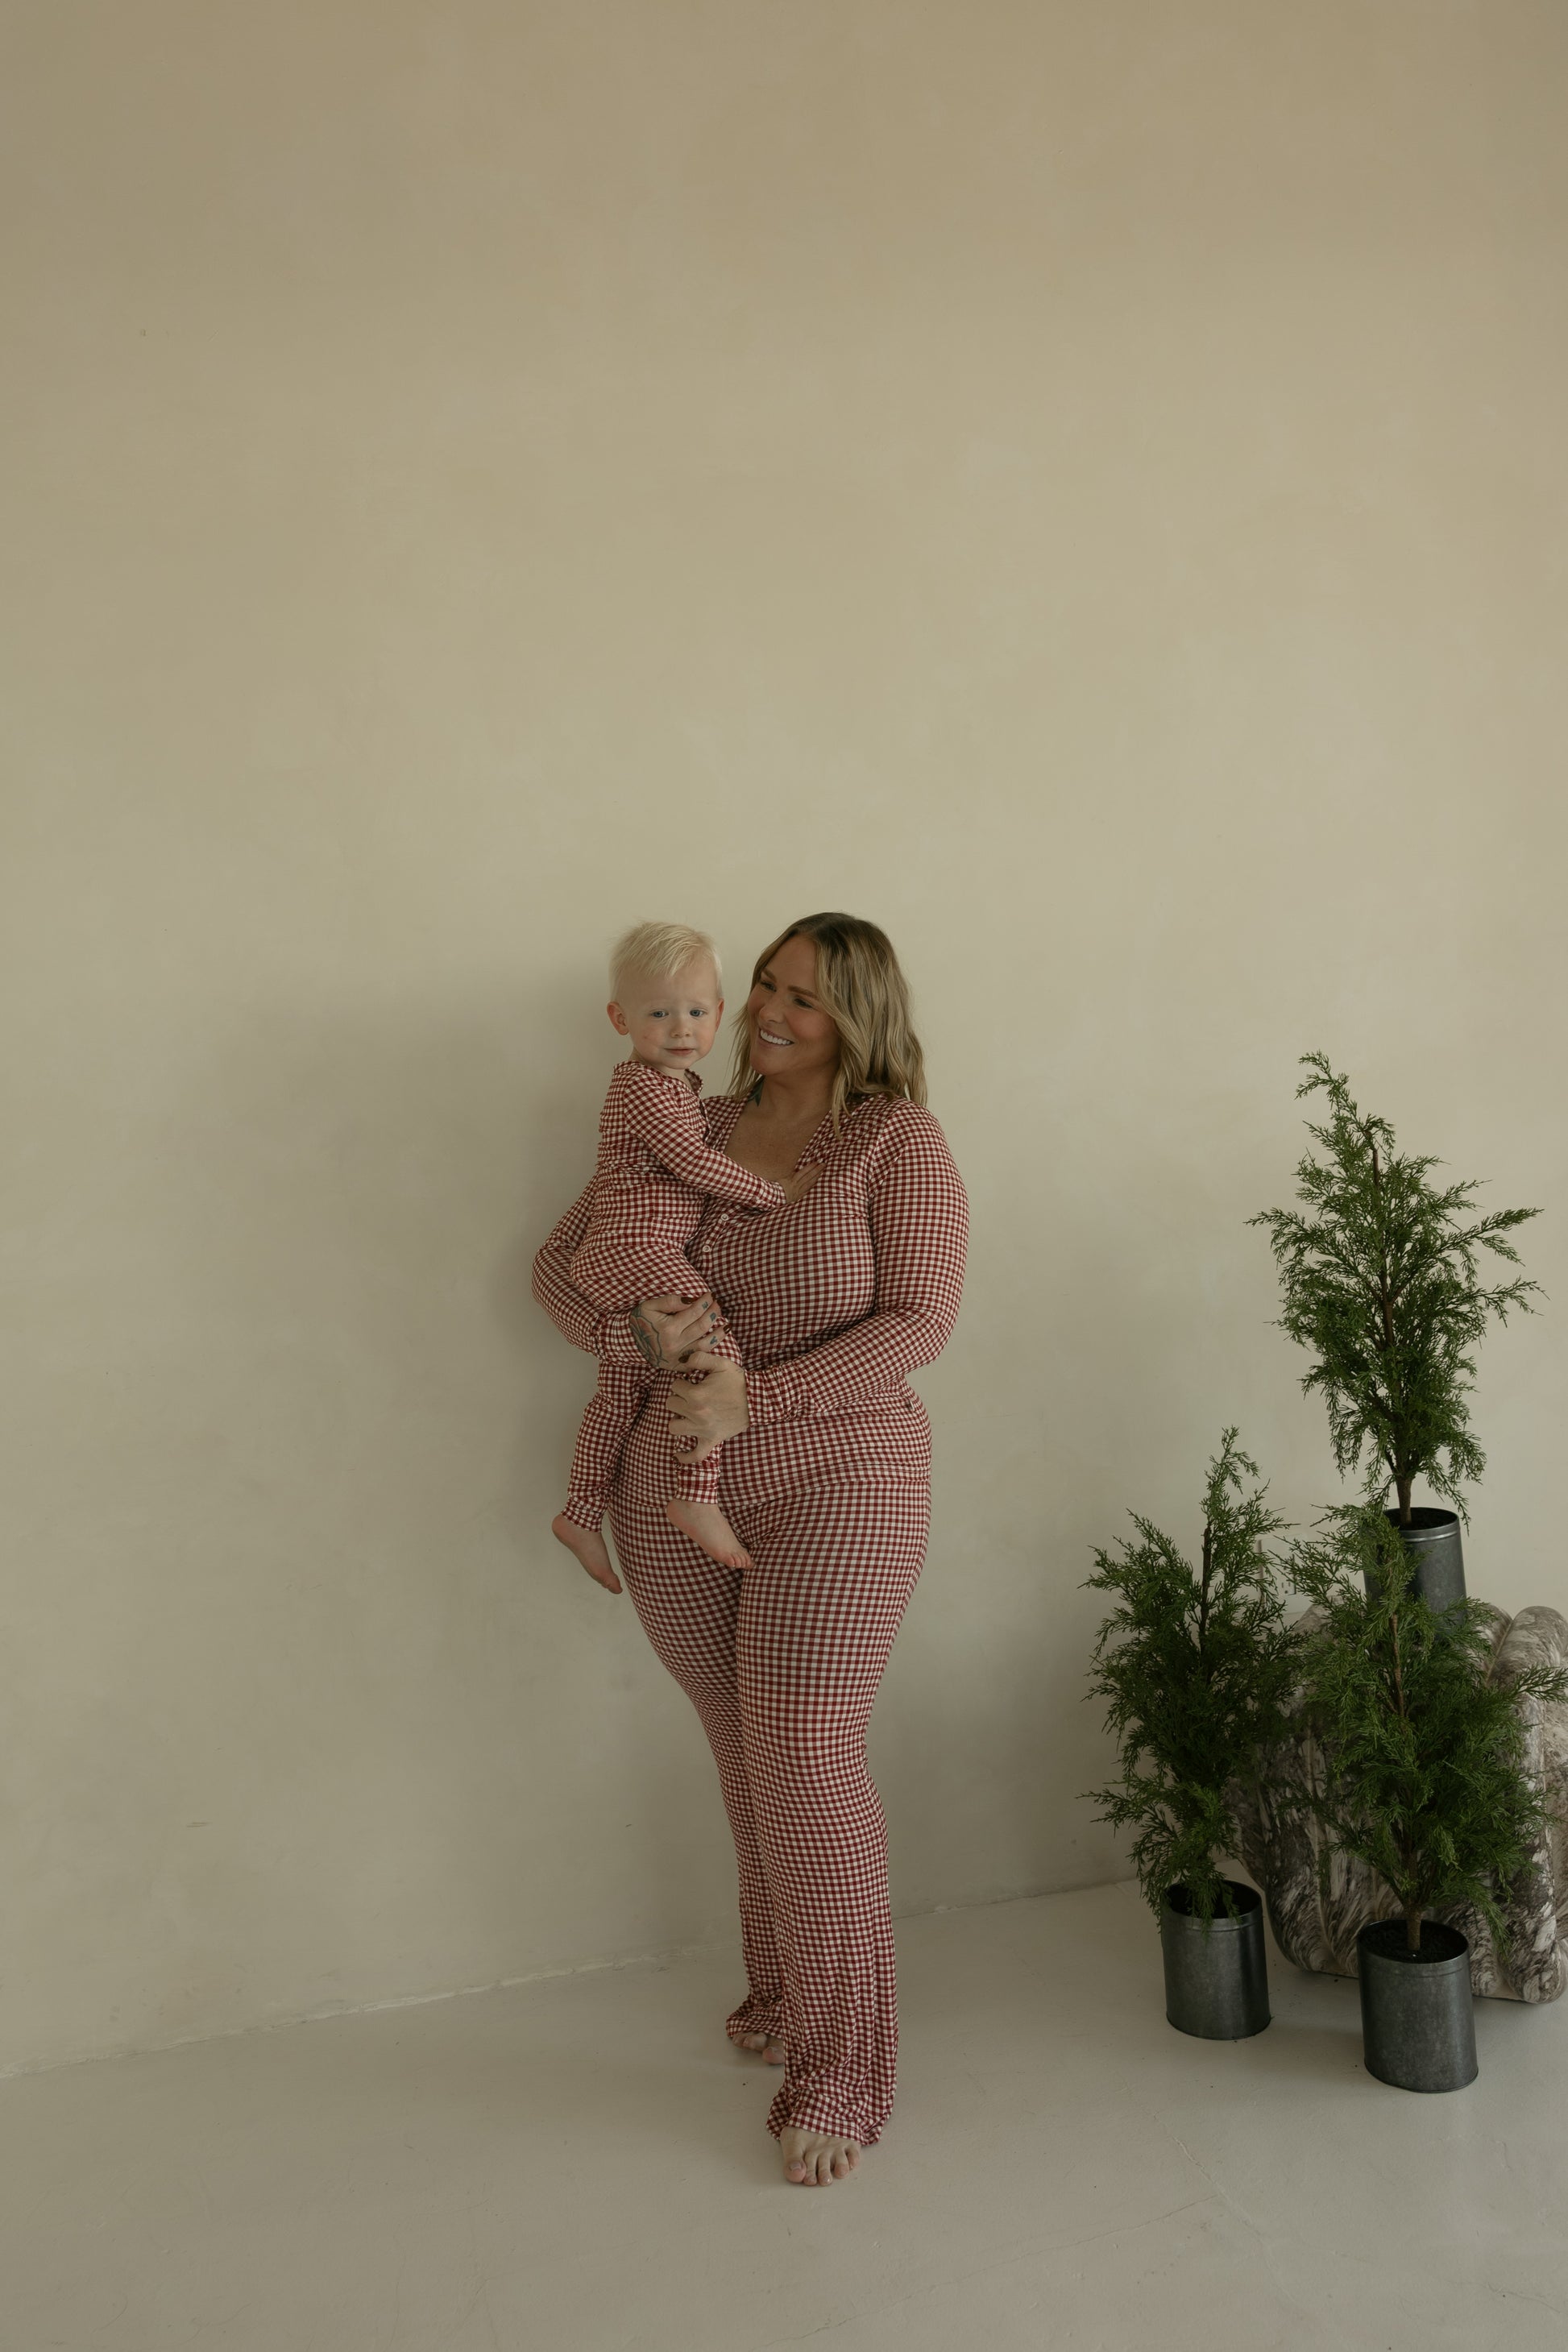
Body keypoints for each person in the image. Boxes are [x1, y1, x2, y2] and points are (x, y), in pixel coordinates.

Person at [533, 913, 968, 2187]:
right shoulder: (690, 1129)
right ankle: (781, 1994)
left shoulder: (896, 1141)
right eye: (765, 987)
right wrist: (643, 1328)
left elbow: (921, 1319)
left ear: (862, 1020)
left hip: (844, 1479)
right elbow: (558, 1273)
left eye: (808, 1000)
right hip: (671, 1489)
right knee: (747, 1761)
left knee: (807, 1760)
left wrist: (756, 1400)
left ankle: (842, 2066)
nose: (772, 1013)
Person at [550, 920, 819, 1583]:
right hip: (634, 1245)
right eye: (660, 1012)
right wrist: (774, 1192)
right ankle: (697, 1495)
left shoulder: (682, 1091)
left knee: (620, 1389)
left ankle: (581, 1511)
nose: (680, 1027)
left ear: (720, 1015)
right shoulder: (646, 1087)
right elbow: (692, 1162)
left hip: (623, 1248)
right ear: (620, 1018)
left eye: (697, 1011)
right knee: (711, 1343)